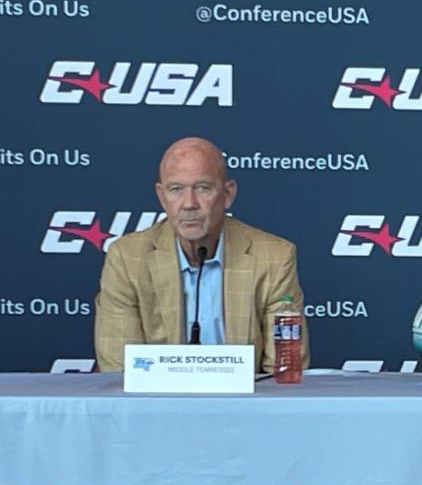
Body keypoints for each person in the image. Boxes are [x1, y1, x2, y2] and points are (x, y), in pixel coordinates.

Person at [94, 136, 309, 373]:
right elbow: (120, 369)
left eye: (203, 188)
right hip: (156, 407)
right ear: (162, 197)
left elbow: (283, 372)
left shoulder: (274, 257)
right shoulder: (127, 259)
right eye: (176, 190)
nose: (189, 204)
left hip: (244, 407)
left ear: (227, 194)